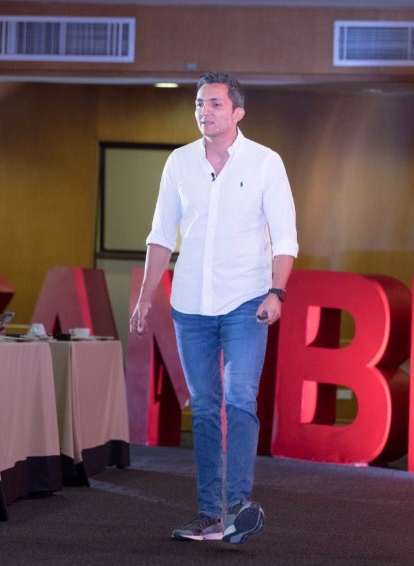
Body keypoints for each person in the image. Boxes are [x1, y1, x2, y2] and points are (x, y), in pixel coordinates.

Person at [129, 72, 298, 544]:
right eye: (200, 103)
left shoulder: (266, 162)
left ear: (237, 112)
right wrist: (146, 295)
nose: (205, 111)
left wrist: (276, 292)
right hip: (191, 306)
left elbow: (285, 238)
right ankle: (209, 515)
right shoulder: (180, 162)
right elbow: (161, 234)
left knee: (239, 398)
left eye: (216, 104)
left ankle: (239, 505)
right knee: (204, 408)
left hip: (247, 302)